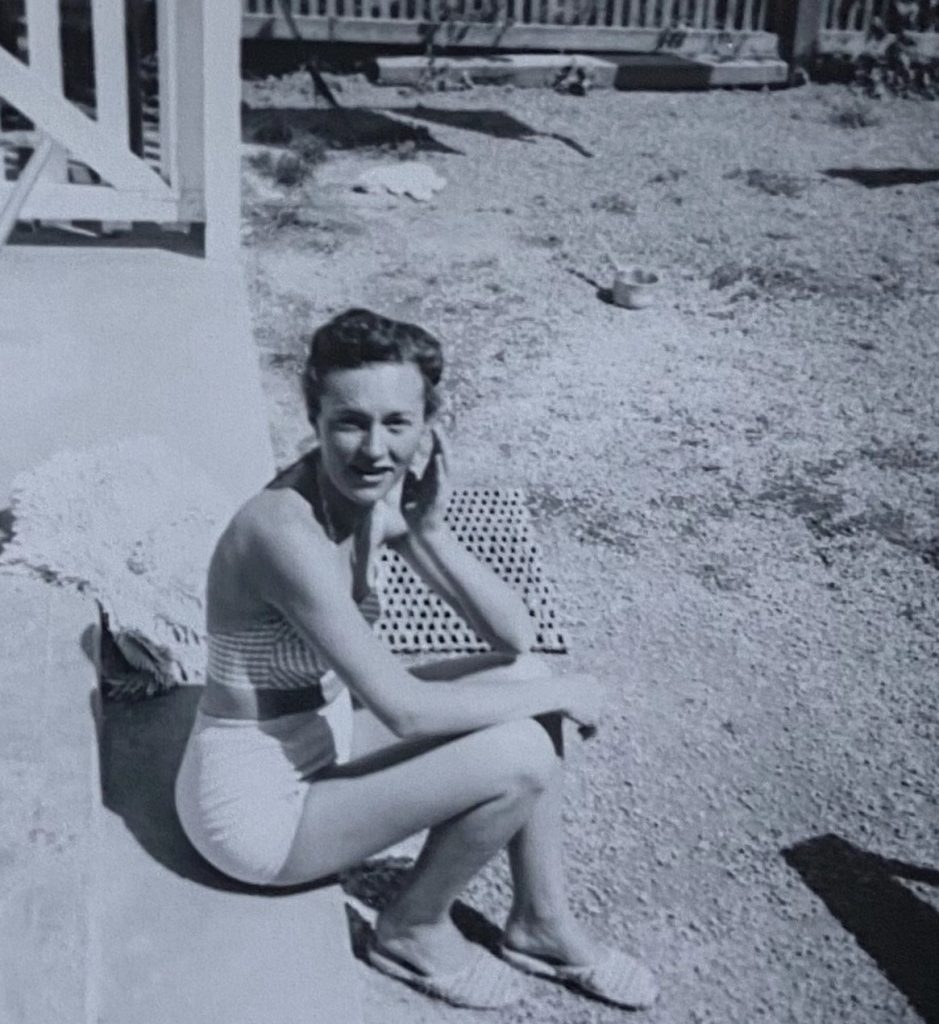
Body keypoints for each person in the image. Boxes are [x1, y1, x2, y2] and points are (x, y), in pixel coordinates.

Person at [174, 308, 657, 1010]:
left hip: (322, 735)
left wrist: (430, 529)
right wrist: (561, 694)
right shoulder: (284, 532)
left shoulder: (365, 497)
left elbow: (515, 638)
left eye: (397, 423)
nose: (373, 449)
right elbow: (402, 710)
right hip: (254, 808)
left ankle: (540, 922)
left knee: (528, 679)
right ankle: (411, 928)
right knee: (522, 750)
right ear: (315, 417)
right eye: (350, 421)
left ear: (429, 424)